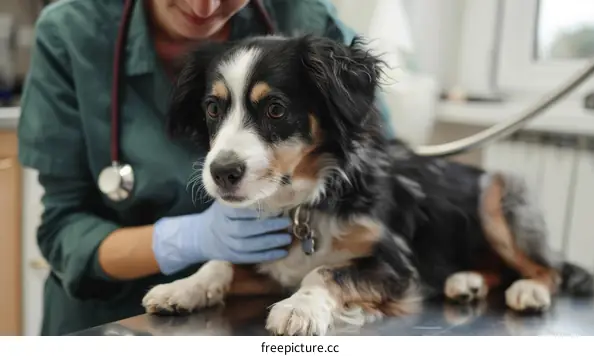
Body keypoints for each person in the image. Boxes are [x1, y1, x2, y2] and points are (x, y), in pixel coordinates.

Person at [17, 0, 394, 336]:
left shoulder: (304, 14)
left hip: (253, 317)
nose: (203, 7)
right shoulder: (70, 32)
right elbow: (61, 231)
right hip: (110, 321)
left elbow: (373, 153)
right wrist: (184, 239)